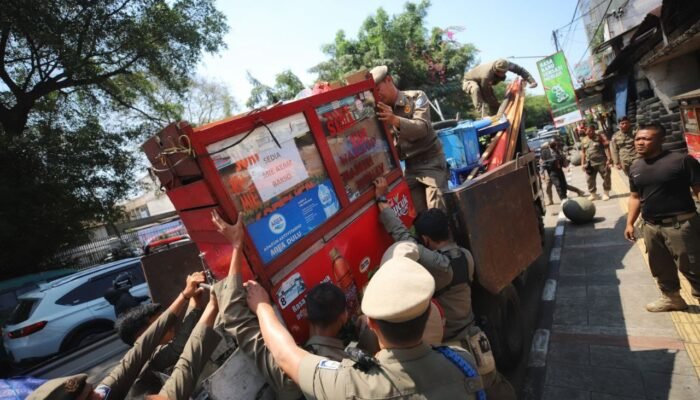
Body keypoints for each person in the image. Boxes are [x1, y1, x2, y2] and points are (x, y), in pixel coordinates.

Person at [241, 253, 484, 399]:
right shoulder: (463, 362)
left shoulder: (353, 385)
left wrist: (262, 306)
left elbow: (285, 355)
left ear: (371, 323)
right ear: (428, 312)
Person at [374, 177, 516, 400]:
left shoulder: (440, 267)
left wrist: (382, 202)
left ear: (426, 239)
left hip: (455, 350)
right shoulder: (466, 256)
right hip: (477, 342)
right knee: (495, 390)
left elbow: (404, 240)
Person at [210, 210, 347, 399]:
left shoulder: (291, 374)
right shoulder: (349, 366)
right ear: (344, 316)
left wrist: (236, 245)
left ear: (305, 312)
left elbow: (234, 316)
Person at [624, 123, 700, 312]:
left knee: (693, 266)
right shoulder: (635, 166)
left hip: (681, 225)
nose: (640, 143)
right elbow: (635, 197)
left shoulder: (682, 161)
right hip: (651, 227)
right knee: (660, 266)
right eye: (638, 139)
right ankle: (672, 298)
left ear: (661, 140)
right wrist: (629, 223)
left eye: (646, 139)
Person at [94, 272, 207, 399]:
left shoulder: (137, 361)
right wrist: (194, 303)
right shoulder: (150, 361)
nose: (171, 327)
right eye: (160, 327)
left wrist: (190, 299)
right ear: (142, 337)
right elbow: (178, 347)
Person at [370, 65, 448, 213]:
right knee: (417, 218)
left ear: (388, 80)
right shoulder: (378, 113)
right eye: (373, 93)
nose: (377, 96)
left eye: (378, 89)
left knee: (437, 216)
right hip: (410, 168)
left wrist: (394, 120)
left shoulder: (416, 97)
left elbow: (422, 128)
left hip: (431, 163)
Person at [154, 291, 221, 400]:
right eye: (158, 326)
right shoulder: (154, 360)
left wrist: (195, 301)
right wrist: (212, 305)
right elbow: (181, 349)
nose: (168, 326)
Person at [462, 59, 537, 117]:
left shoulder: (508, 64)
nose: (501, 74)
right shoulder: (487, 75)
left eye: (503, 72)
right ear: (495, 69)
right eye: (499, 72)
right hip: (469, 81)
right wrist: (497, 110)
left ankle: (496, 115)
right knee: (476, 89)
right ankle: (484, 115)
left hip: (486, 80)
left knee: (493, 102)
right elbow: (487, 95)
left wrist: (532, 81)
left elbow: (520, 70)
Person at [540, 140, 585, 204]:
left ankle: (575, 192)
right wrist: (542, 174)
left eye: (555, 144)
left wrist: (567, 166)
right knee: (549, 187)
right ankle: (551, 200)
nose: (554, 146)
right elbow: (542, 164)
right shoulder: (545, 153)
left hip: (558, 170)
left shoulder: (558, 151)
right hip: (549, 172)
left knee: (561, 185)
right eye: (552, 145)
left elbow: (563, 159)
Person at [580, 125, 612, 201]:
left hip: (602, 162)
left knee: (606, 177)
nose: (588, 132)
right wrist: (582, 164)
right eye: (587, 130)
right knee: (589, 179)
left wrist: (609, 158)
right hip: (590, 164)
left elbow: (606, 147)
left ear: (594, 130)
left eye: (590, 130)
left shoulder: (599, 137)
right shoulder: (584, 140)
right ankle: (593, 194)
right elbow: (583, 152)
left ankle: (606, 193)